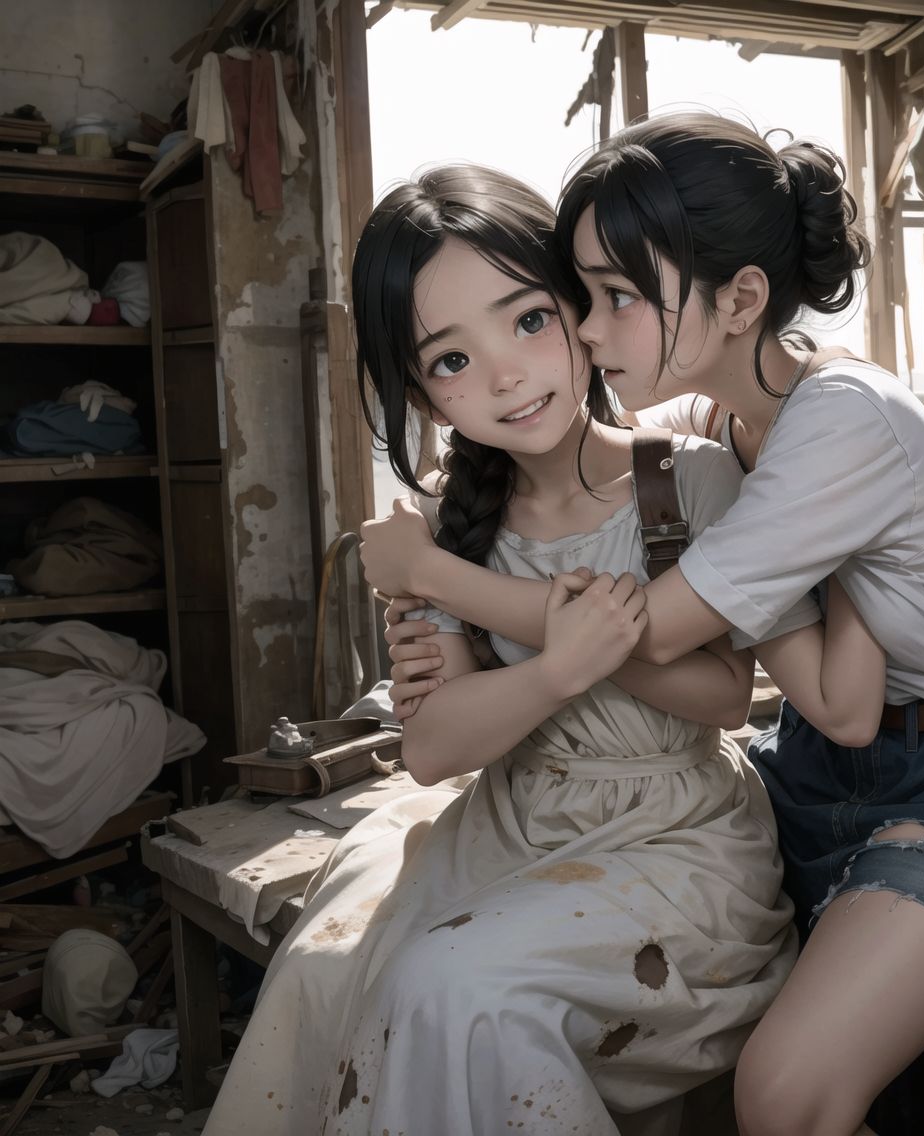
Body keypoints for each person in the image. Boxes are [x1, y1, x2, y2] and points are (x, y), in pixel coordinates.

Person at [363, 114, 924, 1136]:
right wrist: (442, 586)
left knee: (780, 1091)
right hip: (816, 758)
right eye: (577, 297)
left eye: (613, 299)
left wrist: (429, 573)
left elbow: (658, 631)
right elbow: (819, 695)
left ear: (740, 297)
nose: (583, 330)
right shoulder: (721, 421)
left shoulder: (838, 420)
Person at [203, 163, 885, 1136]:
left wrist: (543, 637)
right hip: (512, 821)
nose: (506, 373)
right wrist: (549, 652)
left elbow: (723, 692)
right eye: (450, 360)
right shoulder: (443, 523)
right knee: (324, 975)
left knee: (451, 984)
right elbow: (435, 748)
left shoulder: (668, 482)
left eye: (525, 320)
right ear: (424, 395)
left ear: (578, 307)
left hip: (671, 833)